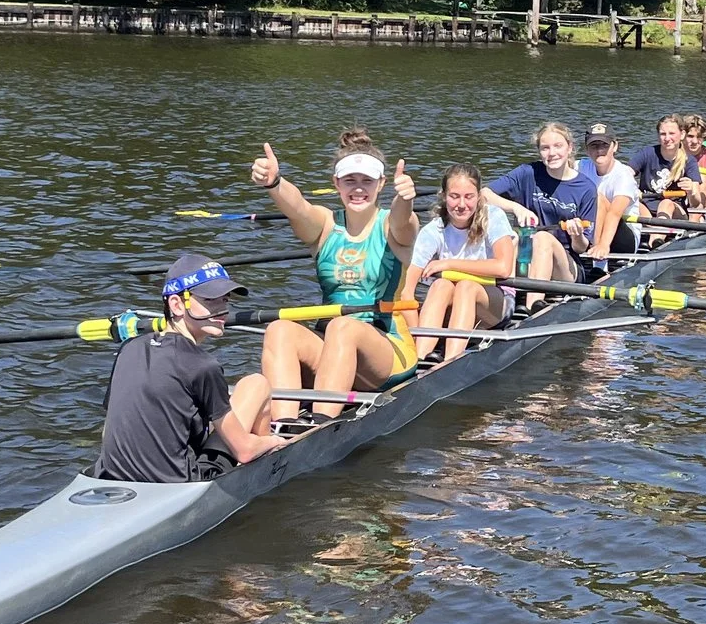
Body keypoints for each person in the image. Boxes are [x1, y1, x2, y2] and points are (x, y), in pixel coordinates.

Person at [252, 129, 420, 418]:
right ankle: (283, 425)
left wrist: (405, 198)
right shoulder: (325, 225)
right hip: (331, 345)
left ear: (381, 184)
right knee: (279, 329)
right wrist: (275, 183)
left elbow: (404, 222)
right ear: (336, 184)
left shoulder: (390, 225)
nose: (358, 188)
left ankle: (321, 424)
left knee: (343, 327)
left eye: (367, 181)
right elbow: (298, 208)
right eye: (349, 181)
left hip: (386, 347)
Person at [93, 252, 287, 483]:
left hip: (110, 477)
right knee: (257, 384)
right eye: (210, 300)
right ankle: (267, 474)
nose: (222, 309)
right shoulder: (203, 365)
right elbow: (244, 451)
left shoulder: (129, 348)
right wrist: (275, 442)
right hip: (181, 484)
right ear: (176, 304)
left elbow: (108, 433)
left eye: (225, 299)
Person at [408, 164, 518, 360]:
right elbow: (407, 290)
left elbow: (503, 268)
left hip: (496, 304)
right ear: (443, 196)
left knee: (466, 286)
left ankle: (450, 360)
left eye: (469, 197)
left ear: (479, 197)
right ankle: (419, 358)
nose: (461, 204)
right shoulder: (433, 230)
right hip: (454, 307)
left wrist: (449, 264)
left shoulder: (494, 217)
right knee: (441, 284)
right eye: (454, 196)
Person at [485, 120, 602, 286]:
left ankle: (533, 303)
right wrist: (516, 208)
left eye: (558, 146)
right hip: (526, 255)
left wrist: (577, 234)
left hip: (566, 266)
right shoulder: (527, 173)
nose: (552, 153)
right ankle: (505, 299)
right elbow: (483, 195)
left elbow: (581, 248)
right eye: (545, 148)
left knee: (543, 238)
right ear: (539, 151)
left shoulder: (586, 188)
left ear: (569, 148)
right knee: (512, 239)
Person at [582, 121, 646, 261]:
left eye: (605, 145)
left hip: (623, 238)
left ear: (615, 146)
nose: (599, 150)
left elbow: (614, 213)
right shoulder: (579, 167)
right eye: (594, 146)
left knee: (596, 197)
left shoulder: (624, 176)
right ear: (586, 149)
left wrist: (603, 246)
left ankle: (599, 262)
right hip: (589, 229)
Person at [628, 113, 700, 221]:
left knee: (666, 204)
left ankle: (656, 234)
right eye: (663, 134)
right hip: (646, 208)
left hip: (675, 211)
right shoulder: (648, 153)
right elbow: (626, 172)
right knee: (629, 202)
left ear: (682, 134)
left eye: (672, 133)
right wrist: (630, 187)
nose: (667, 138)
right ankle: (655, 231)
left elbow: (696, 203)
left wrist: (691, 191)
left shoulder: (689, 161)